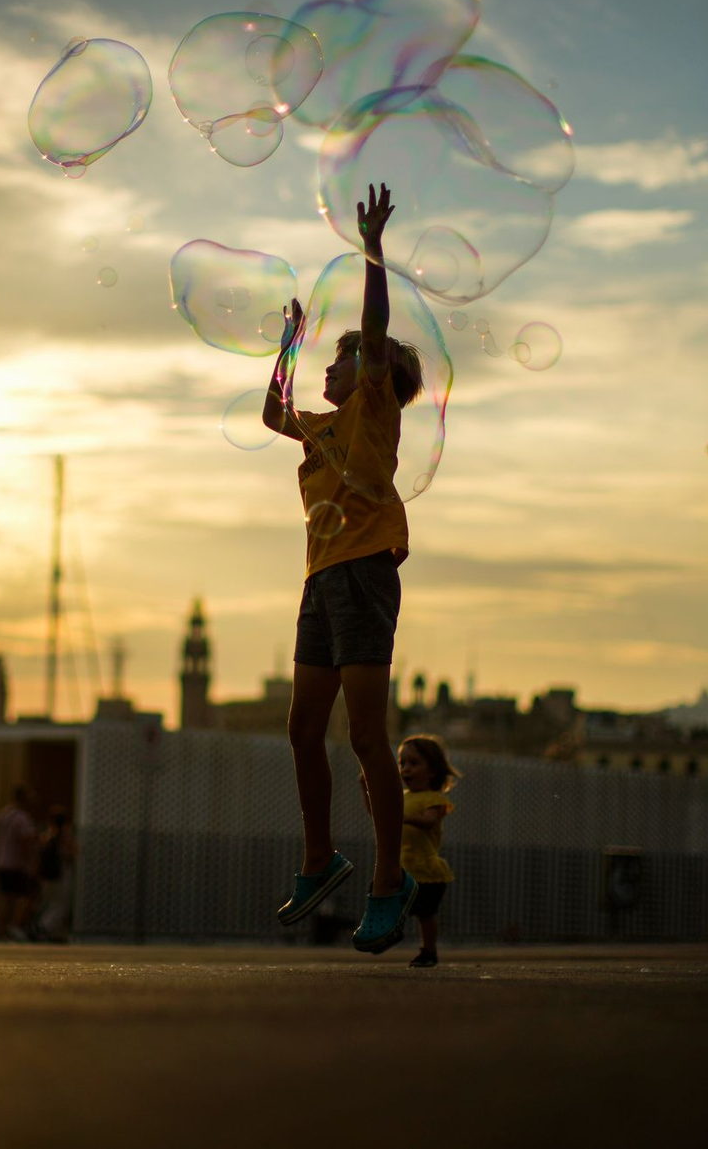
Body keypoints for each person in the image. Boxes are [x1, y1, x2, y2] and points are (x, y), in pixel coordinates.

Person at [264, 182, 427, 954]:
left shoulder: (373, 409)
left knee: (365, 736)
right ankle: (320, 857)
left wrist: (372, 248)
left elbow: (374, 325)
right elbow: (272, 414)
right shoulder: (322, 429)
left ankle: (389, 883)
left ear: (373, 371)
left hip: (364, 572)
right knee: (301, 729)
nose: (334, 367)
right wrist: (290, 342)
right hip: (321, 581)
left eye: (344, 356)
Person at [392, 733, 460, 967]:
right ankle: (390, 930)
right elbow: (377, 813)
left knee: (425, 913)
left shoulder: (434, 799)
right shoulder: (401, 797)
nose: (405, 769)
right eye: (402, 763)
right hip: (403, 865)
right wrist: (365, 789)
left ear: (432, 771)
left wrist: (404, 817)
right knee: (388, 897)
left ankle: (429, 951)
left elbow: (429, 821)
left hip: (426, 869)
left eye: (413, 763)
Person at [0, 784, 39, 941]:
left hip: (1, 861)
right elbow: (28, 839)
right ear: (23, 798)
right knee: (27, 895)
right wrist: (32, 860)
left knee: (6, 898)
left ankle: (2, 931)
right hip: (16, 864)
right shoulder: (21, 817)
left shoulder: (4, 814)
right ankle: (15, 927)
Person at [35, 805, 77, 943]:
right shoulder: (64, 835)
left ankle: (55, 933)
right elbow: (73, 852)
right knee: (61, 905)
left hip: (47, 876)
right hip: (61, 874)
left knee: (51, 903)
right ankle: (45, 926)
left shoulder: (46, 835)